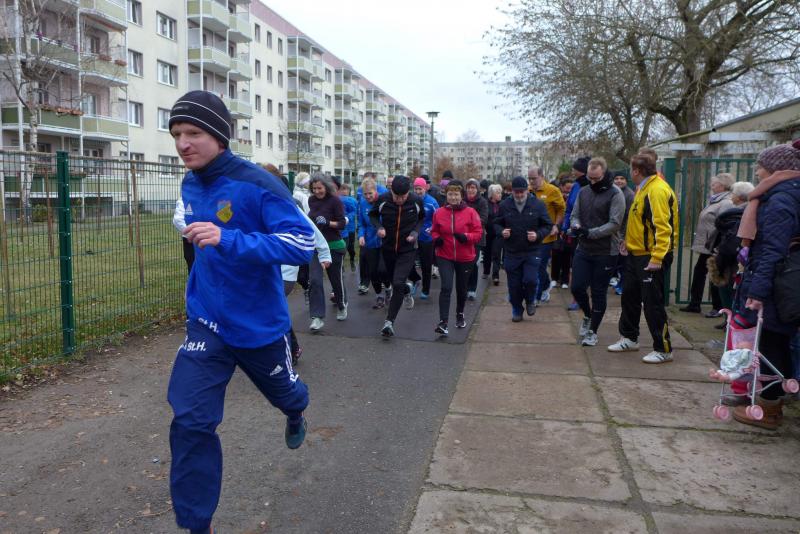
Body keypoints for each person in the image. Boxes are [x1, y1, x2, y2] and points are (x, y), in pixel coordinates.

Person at [167, 91, 313, 534]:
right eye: (176, 134)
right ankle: (198, 526)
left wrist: (228, 238)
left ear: (219, 135)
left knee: (286, 395)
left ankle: (295, 410)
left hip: (257, 325)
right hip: (207, 321)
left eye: (193, 133)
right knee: (190, 421)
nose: (183, 144)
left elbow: (301, 243)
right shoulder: (191, 182)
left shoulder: (258, 184)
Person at [731, 142, 800, 429]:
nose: (757, 172)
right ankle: (773, 402)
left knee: (771, 344)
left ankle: (769, 409)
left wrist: (757, 291)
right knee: (778, 342)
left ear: (775, 169)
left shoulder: (780, 200)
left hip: (775, 286)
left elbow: (772, 251)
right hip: (782, 282)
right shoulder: (786, 194)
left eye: (760, 167)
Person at [608, 153, 679, 364]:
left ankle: (663, 349)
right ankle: (629, 338)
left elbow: (662, 227)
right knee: (629, 296)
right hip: (636, 253)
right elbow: (639, 221)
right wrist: (628, 241)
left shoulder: (657, 190)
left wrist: (657, 258)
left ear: (636, 171)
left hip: (650, 256)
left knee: (652, 303)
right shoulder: (644, 188)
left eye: (631, 170)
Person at [568, 158, 626, 346]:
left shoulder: (615, 194)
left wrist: (590, 233)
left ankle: (593, 331)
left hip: (606, 251)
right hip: (584, 248)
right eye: (590, 178)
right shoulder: (584, 191)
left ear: (604, 174)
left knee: (598, 292)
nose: (592, 182)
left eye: (596, 178)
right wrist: (576, 226)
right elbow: (575, 214)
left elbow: (615, 223)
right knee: (577, 287)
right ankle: (588, 315)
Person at [369, 175, 425, 337]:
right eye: (396, 196)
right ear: (391, 191)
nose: (399, 200)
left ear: (408, 192)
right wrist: (379, 227)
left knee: (398, 282)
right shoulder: (383, 200)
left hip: (408, 248)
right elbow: (373, 215)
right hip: (388, 247)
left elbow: (421, 219)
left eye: (403, 197)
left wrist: (415, 232)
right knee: (385, 275)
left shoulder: (416, 201)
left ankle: (389, 322)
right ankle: (406, 289)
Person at [493, 176, 553, 322]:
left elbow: (547, 225)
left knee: (530, 280)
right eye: (516, 192)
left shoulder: (538, 205)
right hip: (512, 251)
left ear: (527, 190)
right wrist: (501, 231)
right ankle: (517, 309)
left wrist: (538, 235)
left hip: (532, 250)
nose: (519, 195)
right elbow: (496, 223)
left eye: (522, 192)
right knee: (514, 285)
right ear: (512, 191)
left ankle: (531, 300)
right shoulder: (505, 205)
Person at [431, 180, 483, 334]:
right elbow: (434, 230)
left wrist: (466, 237)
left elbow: (478, 233)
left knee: (461, 289)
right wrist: (436, 238)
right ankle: (443, 322)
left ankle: (460, 313)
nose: (453, 198)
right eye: (450, 194)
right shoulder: (439, 212)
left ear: (461, 196)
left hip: (465, 257)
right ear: (446, 195)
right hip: (444, 255)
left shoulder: (471, 212)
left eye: (456, 195)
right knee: (446, 287)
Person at [680, 173, 735, 316]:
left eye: (714, 184)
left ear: (723, 186)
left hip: (715, 245)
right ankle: (695, 303)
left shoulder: (726, 203)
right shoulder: (715, 200)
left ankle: (717, 307)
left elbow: (725, 224)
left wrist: (718, 245)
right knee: (700, 271)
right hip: (708, 244)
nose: (712, 186)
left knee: (713, 273)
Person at [707, 181, 754, 329]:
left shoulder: (739, 215)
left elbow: (732, 242)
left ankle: (730, 322)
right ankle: (728, 320)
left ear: (739, 197)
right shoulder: (741, 212)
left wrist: (721, 259)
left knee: (729, 291)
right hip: (734, 258)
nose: (731, 196)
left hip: (734, 260)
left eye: (733, 193)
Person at [307, 174, 348, 330]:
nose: (317, 191)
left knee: (335, 280)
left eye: (320, 188)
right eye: (314, 188)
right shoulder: (311, 200)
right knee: (315, 280)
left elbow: (342, 223)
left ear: (326, 186)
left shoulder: (335, 201)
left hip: (333, 246)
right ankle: (317, 317)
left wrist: (328, 222)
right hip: (316, 246)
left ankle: (341, 305)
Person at [528, 166, 566, 304]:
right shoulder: (528, 191)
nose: (531, 181)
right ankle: (546, 285)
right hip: (531, 235)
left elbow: (561, 209)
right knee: (534, 265)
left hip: (546, 236)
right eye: (529, 178)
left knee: (539, 266)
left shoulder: (552, 190)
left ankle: (536, 298)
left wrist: (556, 225)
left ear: (541, 176)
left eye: (534, 178)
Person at [357, 177, 390, 307]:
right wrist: (361, 235)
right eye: (365, 194)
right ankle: (379, 296)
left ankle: (388, 287)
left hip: (384, 241)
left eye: (370, 193)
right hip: (370, 241)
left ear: (375, 191)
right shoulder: (362, 203)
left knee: (382, 270)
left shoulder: (384, 201)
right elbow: (361, 223)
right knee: (373, 272)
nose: (367, 196)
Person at [408, 177, 439, 299]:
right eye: (416, 189)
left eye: (420, 189)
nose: (418, 191)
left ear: (425, 188)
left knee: (426, 265)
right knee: (408, 262)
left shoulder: (432, 202)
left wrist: (432, 228)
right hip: (412, 237)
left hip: (426, 238)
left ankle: (425, 290)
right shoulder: (410, 200)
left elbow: (438, 218)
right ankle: (416, 279)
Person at [611, 171, 635, 295]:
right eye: (616, 178)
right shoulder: (613, 192)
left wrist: (624, 236)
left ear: (626, 181)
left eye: (622, 178)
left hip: (623, 234)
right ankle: (619, 282)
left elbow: (630, 218)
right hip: (614, 233)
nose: (619, 181)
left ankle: (623, 285)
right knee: (618, 262)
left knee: (624, 262)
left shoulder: (629, 195)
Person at [464, 178, 488, 300]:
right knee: (463, 264)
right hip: (463, 236)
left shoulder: (482, 202)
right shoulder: (462, 200)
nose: (471, 190)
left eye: (473, 187)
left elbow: (483, 219)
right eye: (469, 187)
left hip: (477, 237)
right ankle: (464, 287)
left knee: (473, 263)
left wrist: (467, 221)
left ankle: (472, 289)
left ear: (477, 189)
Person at [551, 175, 575, 289]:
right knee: (556, 255)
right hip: (557, 229)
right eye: (567, 188)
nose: (569, 191)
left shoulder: (574, 198)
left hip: (569, 231)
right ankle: (554, 278)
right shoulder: (557, 197)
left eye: (571, 188)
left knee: (567, 256)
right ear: (561, 187)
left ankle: (565, 280)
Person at [484, 183, 504, 285]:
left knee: (496, 254)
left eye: (500, 192)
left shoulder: (503, 204)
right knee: (487, 253)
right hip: (488, 232)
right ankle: (486, 271)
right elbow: (483, 217)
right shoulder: (486, 203)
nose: (500, 194)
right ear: (492, 194)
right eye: (498, 193)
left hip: (498, 234)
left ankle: (495, 275)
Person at [338, 182, 358, 273]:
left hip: (350, 228)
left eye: (346, 189)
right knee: (343, 247)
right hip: (342, 229)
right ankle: (341, 265)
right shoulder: (337, 199)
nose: (344, 191)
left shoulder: (352, 200)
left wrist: (347, 218)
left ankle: (352, 260)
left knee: (351, 248)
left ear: (349, 191)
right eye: (342, 189)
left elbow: (355, 212)